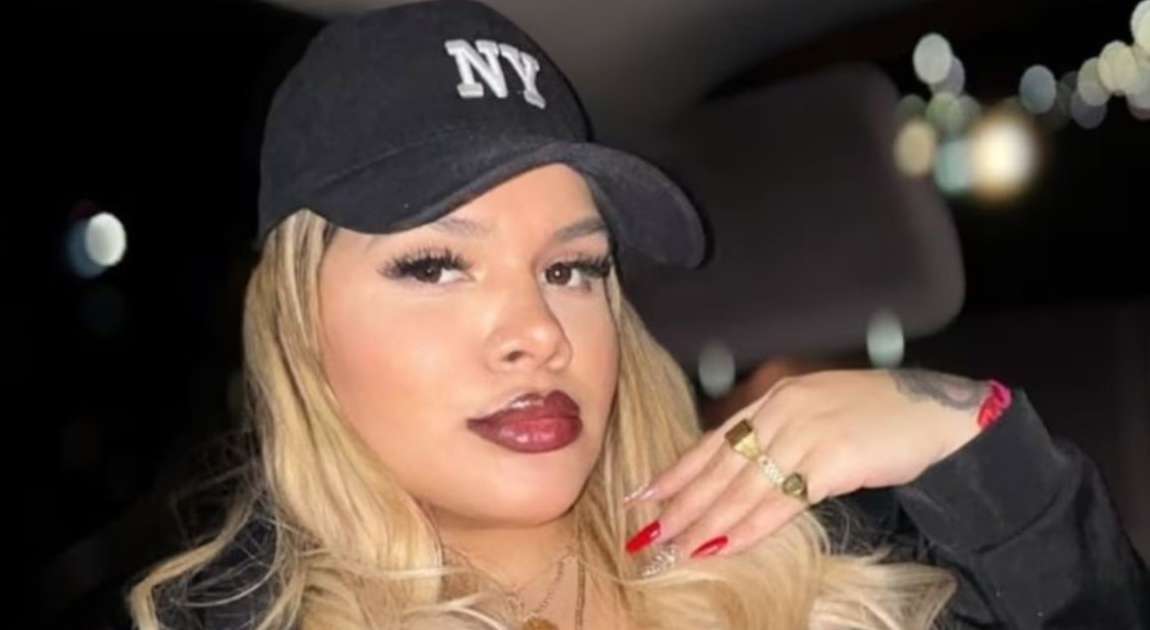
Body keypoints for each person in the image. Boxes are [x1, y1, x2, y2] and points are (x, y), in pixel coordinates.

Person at [125, 1, 1150, 628]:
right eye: (436, 265)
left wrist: (966, 434)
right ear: (300, 327)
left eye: (573, 269)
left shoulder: (823, 569)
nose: (539, 332)